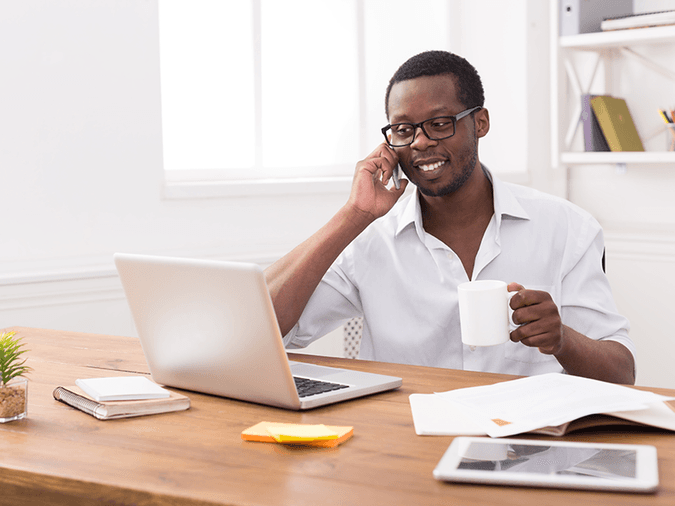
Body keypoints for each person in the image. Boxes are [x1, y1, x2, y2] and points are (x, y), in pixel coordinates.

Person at [264, 50, 635, 385]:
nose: (421, 142)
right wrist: (353, 215)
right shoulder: (369, 238)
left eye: (440, 123)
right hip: (403, 438)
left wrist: (562, 340)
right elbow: (262, 327)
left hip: (527, 443)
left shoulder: (568, 227)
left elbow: (621, 374)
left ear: (480, 123)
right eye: (404, 129)